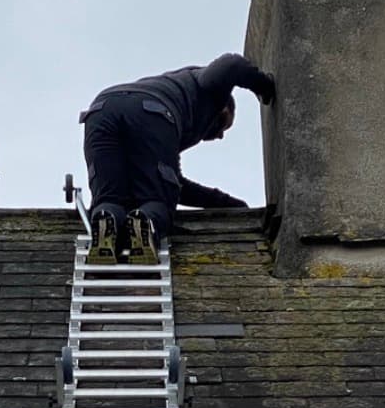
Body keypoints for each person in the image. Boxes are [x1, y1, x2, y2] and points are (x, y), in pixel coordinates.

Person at [79, 53, 276, 265]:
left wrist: (227, 204)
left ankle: (104, 222)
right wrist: (265, 88)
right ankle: (146, 223)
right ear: (225, 108)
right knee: (157, 200)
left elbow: (175, 183)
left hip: (100, 111)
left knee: (110, 197)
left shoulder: (174, 100)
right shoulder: (206, 89)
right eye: (224, 126)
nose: (219, 136)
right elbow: (230, 64)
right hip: (151, 113)